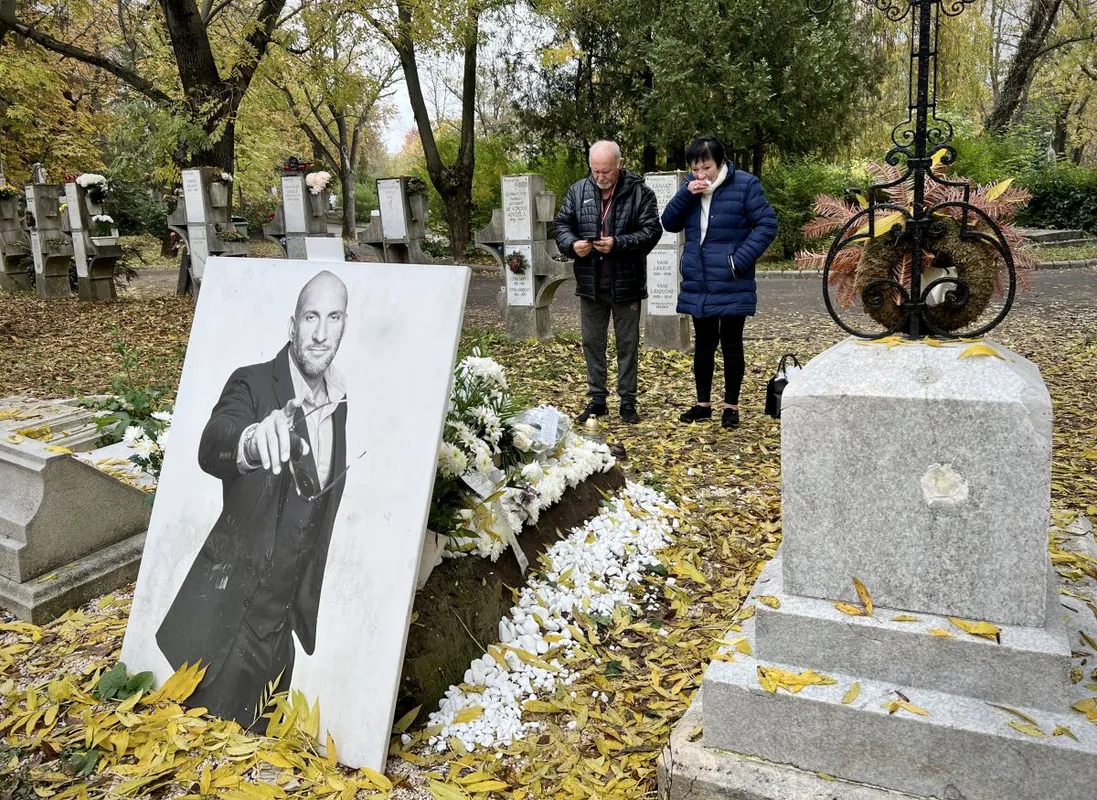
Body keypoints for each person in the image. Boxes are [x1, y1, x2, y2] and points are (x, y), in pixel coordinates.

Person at [156, 270, 351, 726]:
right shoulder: (251, 383)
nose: (321, 333)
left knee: (262, 747)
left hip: (282, 635)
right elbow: (214, 443)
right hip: (229, 627)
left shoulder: (340, 403)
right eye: (311, 317)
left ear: (345, 324)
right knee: (208, 749)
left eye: (334, 317)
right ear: (293, 325)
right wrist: (251, 440)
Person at [661, 136, 778, 428]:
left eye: (707, 168)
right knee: (703, 343)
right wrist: (686, 193)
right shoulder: (690, 187)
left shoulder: (745, 185)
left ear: (720, 162)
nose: (701, 175)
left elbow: (767, 224)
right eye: (695, 169)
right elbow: (669, 222)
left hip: (731, 278)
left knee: (731, 342)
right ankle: (703, 404)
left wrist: (738, 260)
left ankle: (731, 406)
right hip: (699, 279)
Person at [555, 140, 662, 424]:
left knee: (627, 345)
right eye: (595, 171)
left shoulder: (640, 192)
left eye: (606, 171)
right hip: (590, 283)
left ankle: (628, 401)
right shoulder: (578, 190)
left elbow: (651, 232)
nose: (600, 177)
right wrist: (572, 244)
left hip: (626, 283)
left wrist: (618, 244)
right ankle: (597, 400)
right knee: (592, 343)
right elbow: (562, 225)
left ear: (619, 164)